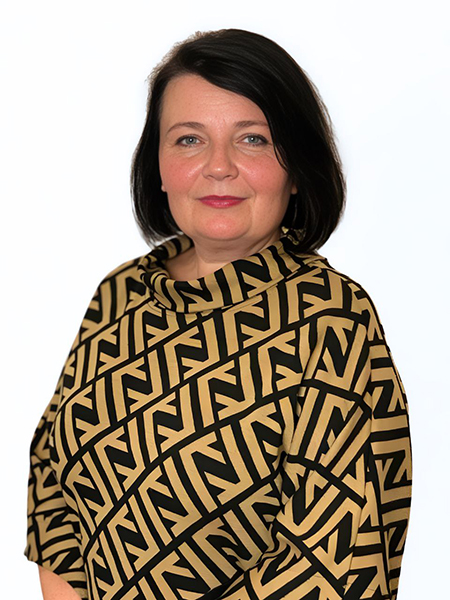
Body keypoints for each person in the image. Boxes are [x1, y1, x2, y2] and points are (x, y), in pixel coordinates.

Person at [24, 28, 412, 600]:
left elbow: (333, 567)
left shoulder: (332, 320)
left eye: (253, 139)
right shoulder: (121, 294)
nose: (219, 166)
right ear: (158, 166)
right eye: (189, 140)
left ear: (297, 167)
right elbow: (54, 486)